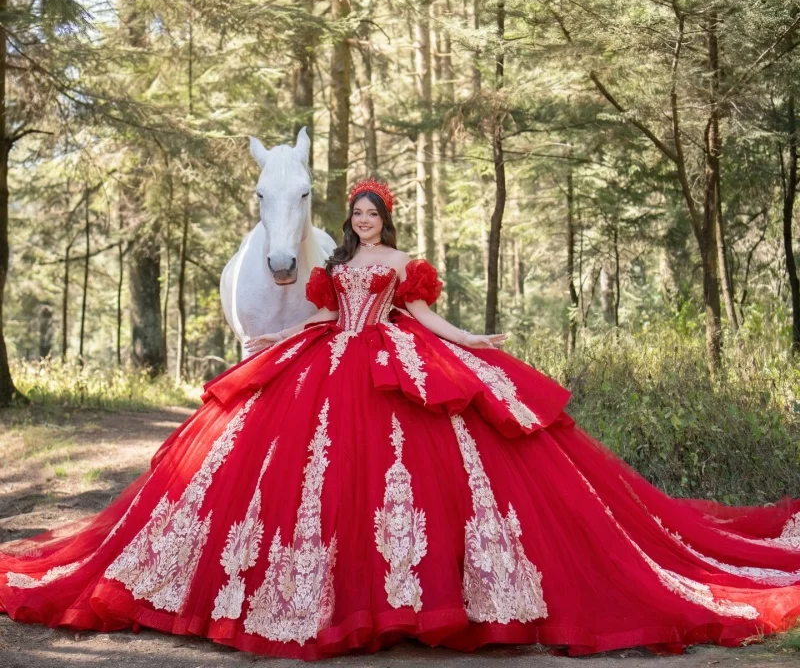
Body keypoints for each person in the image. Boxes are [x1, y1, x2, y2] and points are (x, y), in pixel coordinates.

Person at [1, 177, 799, 661]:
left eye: (374, 214)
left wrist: (471, 338)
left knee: (409, 474)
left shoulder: (397, 269)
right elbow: (317, 312)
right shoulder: (337, 264)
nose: (366, 223)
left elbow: (424, 319)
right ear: (348, 221)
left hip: (385, 361)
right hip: (326, 358)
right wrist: (280, 342)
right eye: (358, 214)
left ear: (388, 219)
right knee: (290, 473)